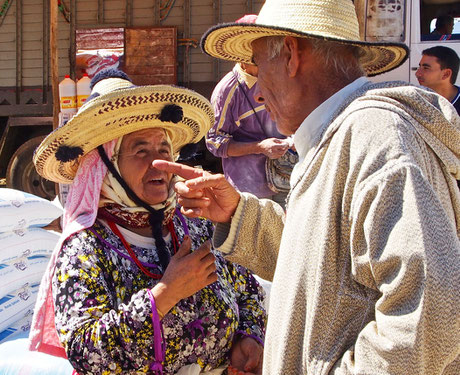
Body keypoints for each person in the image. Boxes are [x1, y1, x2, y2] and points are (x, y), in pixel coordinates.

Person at [154, 0, 460, 374]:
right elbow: (325, 262)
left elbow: (433, 310)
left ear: (291, 55)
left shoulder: (374, 137)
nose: (260, 94)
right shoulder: (342, 137)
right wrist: (239, 214)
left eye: (259, 68)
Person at [29, 69, 266, 374]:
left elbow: (248, 289)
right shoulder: (85, 248)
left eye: (163, 149)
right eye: (140, 150)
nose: (157, 163)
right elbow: (85, 350)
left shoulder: (196, 224)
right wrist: (164, 294)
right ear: (107, 167)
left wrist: (247, 339)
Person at [206, 14, 294, 207]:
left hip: (287, 179)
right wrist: (259, 147)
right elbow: (214, 142)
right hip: (249, 187)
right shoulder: (227, 90)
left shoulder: (281, 77)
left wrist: (293, 140)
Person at [416, 46, 460, 114]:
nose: (417, 74)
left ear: (446, 74)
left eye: (426, 68)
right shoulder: (416, 100)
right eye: (419, 67)